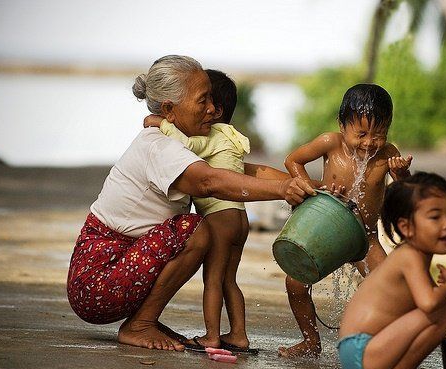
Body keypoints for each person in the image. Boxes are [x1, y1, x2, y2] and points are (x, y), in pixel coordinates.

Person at [66, 55, 315, 352]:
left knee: (194, 231)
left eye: (211, 97)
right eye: (203, 100)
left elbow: (238, 171)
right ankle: (139, 324)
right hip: (96, 285)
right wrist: (283, 188)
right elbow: (209, 182)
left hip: (119, 269)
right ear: (170, 110)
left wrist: (305, 186)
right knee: (195, 230)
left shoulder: (184, 145)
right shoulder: (158, 146)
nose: (213, 108)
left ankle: (144, 320)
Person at [278, 83, 413, 358]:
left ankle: (385, 348)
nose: (368, 143)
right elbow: (292, 160)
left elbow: (406, 193)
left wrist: (402, 175)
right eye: (361, 134)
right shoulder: (331, 142)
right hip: (326, 231)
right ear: (342, 125)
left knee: (389, 289)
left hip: (365, 238)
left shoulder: (387, 154)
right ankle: (310, 341)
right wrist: (310, 190)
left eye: (378, 135)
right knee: (294, 284)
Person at [338, 172, 446, 369]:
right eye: (435, 217)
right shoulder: (409, 257)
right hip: (362, 353)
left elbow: (435, 310)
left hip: (365, 353)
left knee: (444, 312)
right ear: (407, 227)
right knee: (442, 313)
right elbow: (431, 306)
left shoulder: (414, 259)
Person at [143, 69, 257, 354]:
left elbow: (185, 144)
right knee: (230, 279)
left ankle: (211, 336)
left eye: (205, 101)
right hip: (239, 218)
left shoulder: (212, 135)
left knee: (213, 280)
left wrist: (160, 122)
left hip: (219, 219)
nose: (202, 109)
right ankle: (239, 335)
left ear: (215, 111)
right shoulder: (232, 136)